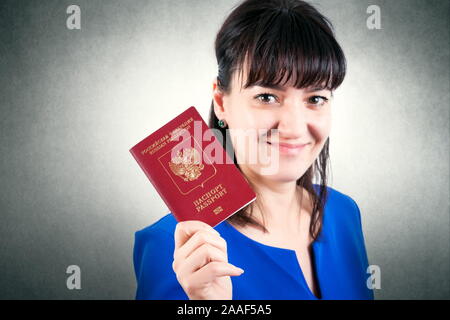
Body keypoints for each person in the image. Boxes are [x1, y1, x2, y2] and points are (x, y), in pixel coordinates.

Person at [133, 0, 374, 300]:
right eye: (267, 97)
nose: (294, 127)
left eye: (315, 99)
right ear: (221, 103)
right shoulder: (173, 247)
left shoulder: (343, 212)